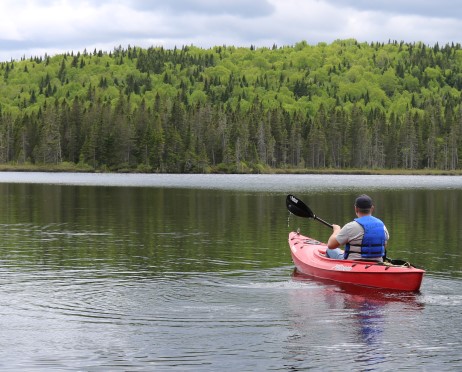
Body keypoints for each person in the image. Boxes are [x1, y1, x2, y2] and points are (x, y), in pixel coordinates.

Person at [326, 194, 389, 261]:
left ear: (356, 208)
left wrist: (336, 230)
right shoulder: (382, 226)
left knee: (330, 250)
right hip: (377, 262)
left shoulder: (350, 227)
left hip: (353, 263)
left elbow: (331, 245)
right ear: (372, 208)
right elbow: (384, 246)